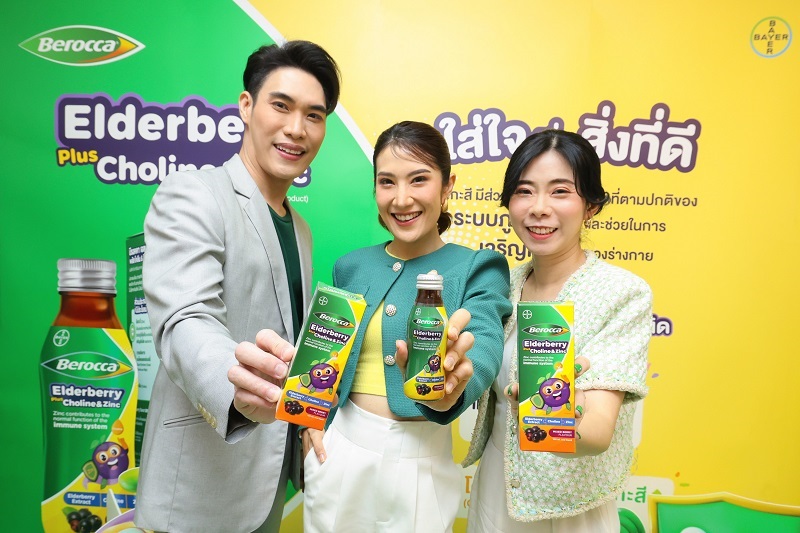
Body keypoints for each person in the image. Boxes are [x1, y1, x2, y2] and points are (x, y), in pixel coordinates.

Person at [135, 40, 341, 533]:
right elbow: (186, 319)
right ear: (246, 106)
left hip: (270, 480)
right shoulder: (195, 193)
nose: (297, 128)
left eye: (314, 115)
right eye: (281, 106)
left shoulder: (301, 228)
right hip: (203, 483)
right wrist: (237, 387)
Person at [294, 120, 512, 532]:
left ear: (447, 186)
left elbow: (484, 342)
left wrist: (456, 385)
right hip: (337, 450)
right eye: (387, 182)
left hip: (420, 460)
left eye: (419, 179)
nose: (401, 198)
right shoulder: (351, 266)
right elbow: (325, 352)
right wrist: (310, 420)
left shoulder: (476, 267)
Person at [463, 129, 652, 532]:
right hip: (496, 488)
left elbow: (596, 433)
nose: (539, 208)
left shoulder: (622, 293)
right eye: (524, 191)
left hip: (569, 508)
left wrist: (561, 412)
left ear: (590, 206)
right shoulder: (501, 287)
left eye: (560, 191)